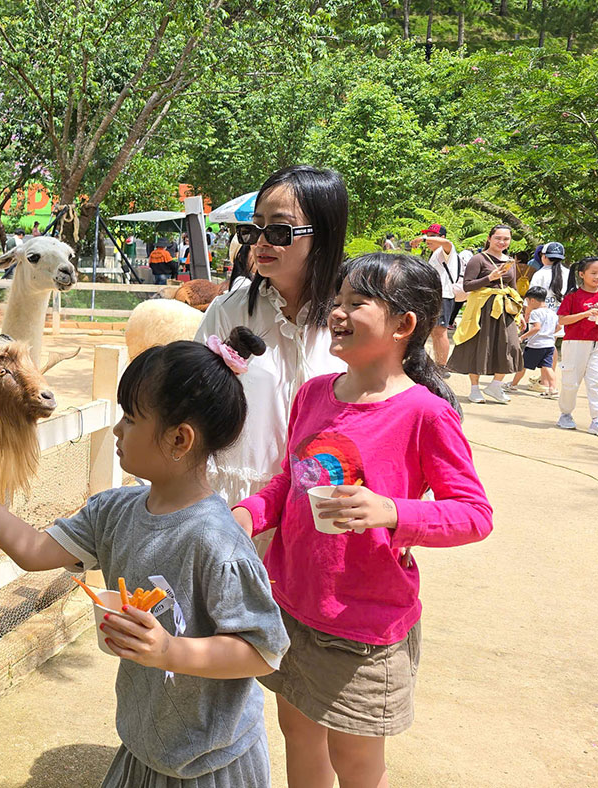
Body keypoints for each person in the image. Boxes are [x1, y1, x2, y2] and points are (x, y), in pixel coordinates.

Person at [0, 331, 290, 787]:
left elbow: (262, 650)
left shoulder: (219, 542)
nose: (118, 431)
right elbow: (31, 550)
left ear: (179, 439)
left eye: (131, 419)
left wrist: (170, 650)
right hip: (144, 745)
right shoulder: (114, 511)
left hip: (212, 764)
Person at [234, 252, 494, 788]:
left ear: (404, 325)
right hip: (293, 604)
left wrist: (393, 511)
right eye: (338, 300)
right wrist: (250, 512)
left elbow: (474, 514)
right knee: (297, 731)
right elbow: (291, 480)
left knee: (353, 756)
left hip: (364, 624)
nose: (337, 312)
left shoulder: (425, 412)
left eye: (358, 303)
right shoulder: (312, 395)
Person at [195, 165, 348, 513]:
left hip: (321, 508)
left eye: (279, 231)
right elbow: (193, 403)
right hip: (238, 506)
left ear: (323, 234)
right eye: (253, 229)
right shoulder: (228, 311)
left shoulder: (352, 319)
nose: (261, 242)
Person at [447, 225, 523, 404]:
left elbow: (512, 287)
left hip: (505, 308)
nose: (502, 242)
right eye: (498, 238)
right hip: (482, 308)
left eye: (506, 239)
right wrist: (490, 278)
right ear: (489, 238)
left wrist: (521, 312)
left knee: (510, 345)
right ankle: (474, 388)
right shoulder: (478, 259)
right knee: (479, 345)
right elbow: (467, 286)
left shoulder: (509, 261)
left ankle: (496, 385)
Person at [556, 258, 598, 437]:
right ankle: (565, 414)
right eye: (594, 273)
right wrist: (585, 314)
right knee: (571, 381)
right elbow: (562, 320)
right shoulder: (572, 296)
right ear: (581, 274)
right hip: (575, 342)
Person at [413, 223, 461, 373]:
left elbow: (448, 243)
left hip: (444, 295)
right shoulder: (434, 253)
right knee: (434, 331)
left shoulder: (446, 250)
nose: (429, 240)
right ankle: (436, 363)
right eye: (428, 235)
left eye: (433, 236)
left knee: (440, 331)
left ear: (442, 237)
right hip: (434, 295)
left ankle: (441, 366)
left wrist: (422, 238)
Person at [513, 287, 559, 396]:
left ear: (532, 300)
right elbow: (559, 327)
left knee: (522, 365)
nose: (527, 304)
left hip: (536, 345)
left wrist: (522, 337)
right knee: (548, 367)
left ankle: (513, 385)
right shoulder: (552, 313)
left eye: (527, 301)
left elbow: (536, 328)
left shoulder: (535, 313)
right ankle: (553, 389)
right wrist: (548, 333)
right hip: (549, 345)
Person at [528, 242, 571, 309]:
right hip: (565, 315)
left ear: (544, 256)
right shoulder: (568, 273)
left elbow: (531, 299)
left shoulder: (539, 274)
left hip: (543, 316)